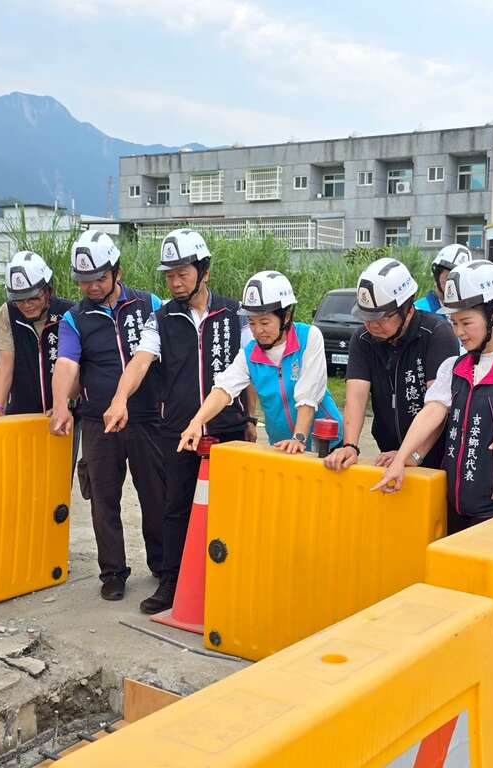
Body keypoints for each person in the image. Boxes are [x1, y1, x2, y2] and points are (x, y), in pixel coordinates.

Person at [102, 229, 254, 614]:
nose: (175, 281)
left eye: (182, 272)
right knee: (176, 506)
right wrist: (120, 397)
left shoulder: (235, 313)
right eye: (169, 275)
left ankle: (231, 580)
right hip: (178, 429)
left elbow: (253, 365)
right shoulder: (162, 318)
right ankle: (172, 580)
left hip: (229, 427)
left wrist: (250, 417)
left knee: (233, 507)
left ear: (204, 270)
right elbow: (140, 360)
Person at [373, 260, 493, 533]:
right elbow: (432, 412)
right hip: (452, 507)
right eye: (454, 322)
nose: (459, 332)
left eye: (466, 322)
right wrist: (403, 458)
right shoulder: (454, 368)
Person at [48, 230, 164, 603]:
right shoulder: (73, 318)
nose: (92, 287)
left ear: (118, 271)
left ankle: (164, 567)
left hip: (147, 418)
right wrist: (61, 404)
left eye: (99, 278)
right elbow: (65, 363)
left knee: (155, 496)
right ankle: (113, 572)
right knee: (103, 499)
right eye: (84, 281)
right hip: (99, 421)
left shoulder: (150, 304)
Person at [178, 271, 343, 454]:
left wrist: (299, 438)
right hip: (282, 447)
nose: (257, 331)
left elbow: (308, 395)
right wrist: (197, 422)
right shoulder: (250, 353)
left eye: (264, 322)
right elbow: (224, 389)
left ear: (286, 317)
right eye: (252, 323)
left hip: (326, 445)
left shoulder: (309, 338)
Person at [323, 257, 459, 472]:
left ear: (408, 308)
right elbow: (356, 397)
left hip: (437, 457)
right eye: (366, 317)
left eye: (381, 318)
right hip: (389, 450)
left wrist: (413, 454)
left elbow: (439, 408)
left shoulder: (436, 334)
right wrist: (350, 445)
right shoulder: (363, 339)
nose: (372, 325)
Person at [0, 251, 74, 417]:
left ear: (48, 290)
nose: (27, 305)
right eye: (19, 299)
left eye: (33, 298)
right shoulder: (7, 313)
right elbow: (5, 361)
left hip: (63, 413)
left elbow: (75, 365)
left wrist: (65, 403)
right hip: (21, 413)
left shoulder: (68, 313)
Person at [414, 244, 473, 316]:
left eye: (461, 278)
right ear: (436, 276)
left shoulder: (469, 311)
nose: (454, 283)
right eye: (449, 277)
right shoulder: (419, 310)